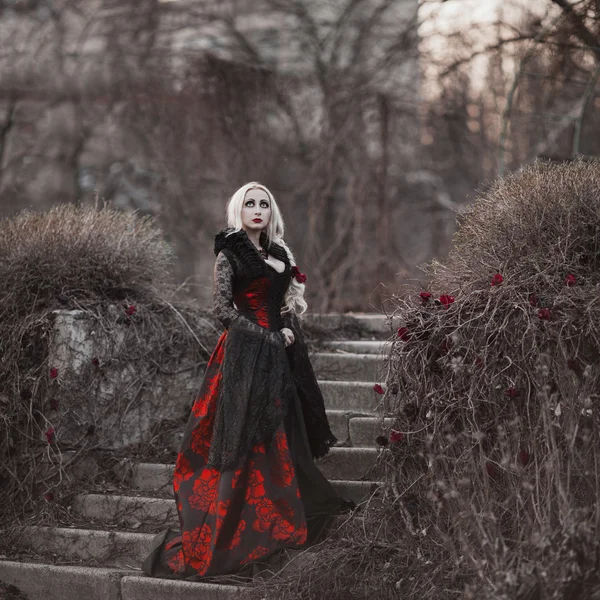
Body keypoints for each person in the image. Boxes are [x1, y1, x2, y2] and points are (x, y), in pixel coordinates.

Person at [141, 182, 353, 580]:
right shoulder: (230, 252)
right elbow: (222, 310)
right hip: (244, 355)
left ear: (272, 213)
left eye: (264, 205)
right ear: (238, 209)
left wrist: (287, 326)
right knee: (247, 434)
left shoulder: (277, 253)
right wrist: (268, 336)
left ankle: (283, 507)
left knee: (281, 430)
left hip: (280, 357)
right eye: (250, 203)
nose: (257, 209)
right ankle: (242, 526)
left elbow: (285, 300)